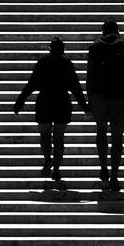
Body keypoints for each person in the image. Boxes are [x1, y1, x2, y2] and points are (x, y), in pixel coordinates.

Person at [13, 37, 89, 181]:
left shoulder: (42, 62)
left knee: (45, 135)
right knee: (59, 138)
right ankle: (56, 169)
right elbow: (76, 87)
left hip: (45, 101)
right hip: (62, 102)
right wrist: (85, 107)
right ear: (63, 49)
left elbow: (31, 84)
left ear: (50, 49)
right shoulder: (67, 64)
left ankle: (48, 159)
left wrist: (19, 102)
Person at [86, 19, 124, 192]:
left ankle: (103, 166)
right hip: (120, 97)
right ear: (117, 30)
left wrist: (89, 99)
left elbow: (90, 75)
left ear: (103, 31)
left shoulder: (94, 48)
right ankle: (114, 176)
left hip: (99, 96)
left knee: (101, 130)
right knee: (117, 138)